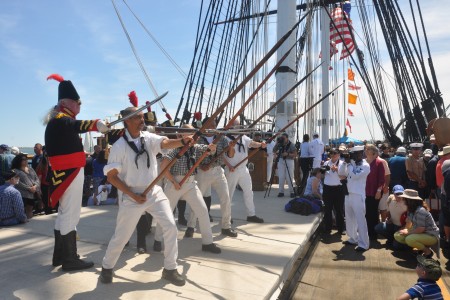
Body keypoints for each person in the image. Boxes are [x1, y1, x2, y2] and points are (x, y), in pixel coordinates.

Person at [99, 105, 192, 286]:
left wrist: (182, 142)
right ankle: (107, 267)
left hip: (154, 193)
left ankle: (170, 269)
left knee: (170, 227)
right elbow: (112, 177)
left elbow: (164, 143)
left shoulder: (148, 137)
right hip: (131, 194)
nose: (142, 121)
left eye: (142, 117)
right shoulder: (118, 147)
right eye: (137, 118)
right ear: (127, 121)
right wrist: (133, 196)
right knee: (122, 237)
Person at [45, 74, 109, 271]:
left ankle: (60, 256)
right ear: (68, 103)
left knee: (65, 214)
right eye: (78, 103)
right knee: (71, 215)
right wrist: (95, 123)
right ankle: (70, 259)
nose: (80, 107)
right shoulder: (62, 119)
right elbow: (75, 125)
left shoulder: (57, 118)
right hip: (70, 172)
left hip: (64, 172)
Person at [154, 124, 221, 254]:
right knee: (166, 213)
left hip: (190, 183)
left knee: (202, 211)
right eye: (189, 133)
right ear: (181, 136)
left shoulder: (194, 147)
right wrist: (173, 181)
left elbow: (208, 149)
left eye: (194, 132)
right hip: (175, 184)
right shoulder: (174, 149)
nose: (193, 135)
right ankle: (157, 239)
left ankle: (208, 242)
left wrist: (212, 148)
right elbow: (163, 167)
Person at [193, 117, 238, 237]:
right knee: (196, 199)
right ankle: (190, 226)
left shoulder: (221, 137)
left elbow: (230, 155)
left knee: (226, 198)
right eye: (210, 124)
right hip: (202, 172)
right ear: (204, 125)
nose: (213, 126)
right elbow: (193, 155)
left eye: (214, 124)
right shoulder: (198, 138)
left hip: (218, 171)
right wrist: (201, 165)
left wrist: (231, 147)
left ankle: (226, 226)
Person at [224, 120, 265, 223]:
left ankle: (251, 214)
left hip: (243, 169)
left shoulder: (243, 137)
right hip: (232, 169)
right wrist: (229, 165)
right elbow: (222, 156)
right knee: (228, 194)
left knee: (249, 192)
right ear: (232, 127)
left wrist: (261, 144)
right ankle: (227, 217)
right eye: (237, 125)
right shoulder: (225, 138)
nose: (239, 127)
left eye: (239, 125)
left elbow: (252, 143)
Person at [339, 145, 370, 252]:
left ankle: (364, 243)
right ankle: (353, 238)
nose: (357, 155)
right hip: (348, 194)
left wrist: (349, 164)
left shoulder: (366, 166)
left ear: (361, 154)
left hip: (358, 194)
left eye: (359, 153)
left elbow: (355, 175)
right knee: (349, 217)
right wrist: (344, 162)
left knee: (360, 219)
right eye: (355, 154)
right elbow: (341, 173)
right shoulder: (350, 163)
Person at [394, 189, 439, 258]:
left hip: (431, 235)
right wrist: (406, 229)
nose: (403, 200)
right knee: (398, 235)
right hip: (420, 232)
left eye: (405, 199)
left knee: (409, 239)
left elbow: (421, 229)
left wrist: (408, 232)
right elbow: (409, 222)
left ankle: (428, 252)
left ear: (410, 200)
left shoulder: (421, 211)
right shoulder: (410, 209)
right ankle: (419, 248)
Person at [364, 144, 385, 241]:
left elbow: (382, 179)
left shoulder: (379, 163)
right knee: (365, 213)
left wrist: (379, 191)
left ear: (373, 152)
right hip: (363, 192)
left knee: (373, 213)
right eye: (366, 149)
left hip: (374, 192)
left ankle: (373, 234)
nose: (366, 150)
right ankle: (366, 232)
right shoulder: (363, 162)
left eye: (369, 149)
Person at [11, 153, 42, 219]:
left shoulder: (31, 169)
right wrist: (28, 188)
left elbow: (37, 179)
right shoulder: (15, 171)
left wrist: (35, 186)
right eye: (23, 159)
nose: (26, 161)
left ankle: (30, 223)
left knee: (30, 209)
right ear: (19, 161)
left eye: (26, 159)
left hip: (32, 194)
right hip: (22, 194)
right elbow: (17, 182)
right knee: (22, 210)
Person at [322, 148, 345, 234]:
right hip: (327, 188)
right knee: (328, 209)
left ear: (339, 154)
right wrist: (322, 171)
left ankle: (341, 229)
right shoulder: (326, 163)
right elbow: (322, 175)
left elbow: (344, 176)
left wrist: (337, 170)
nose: (334, 155)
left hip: (338, 189)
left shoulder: (342, 164)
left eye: (335, 153)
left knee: (339, 210)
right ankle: (328, 228)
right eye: (332, 153)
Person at [275, 133, 297, 198]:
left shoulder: (291, 145)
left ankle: (292, 192)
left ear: (287, 138)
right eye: (282, 138)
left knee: (289, 176)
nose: (282, 139)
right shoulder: (279, 144)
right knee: (281, 176)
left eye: (283, 138)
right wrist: (277, 143)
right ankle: (281, 192)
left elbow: (295, 154)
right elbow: (274, 150)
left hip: (289, 160)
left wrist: (287, 154)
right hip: (281, 160)